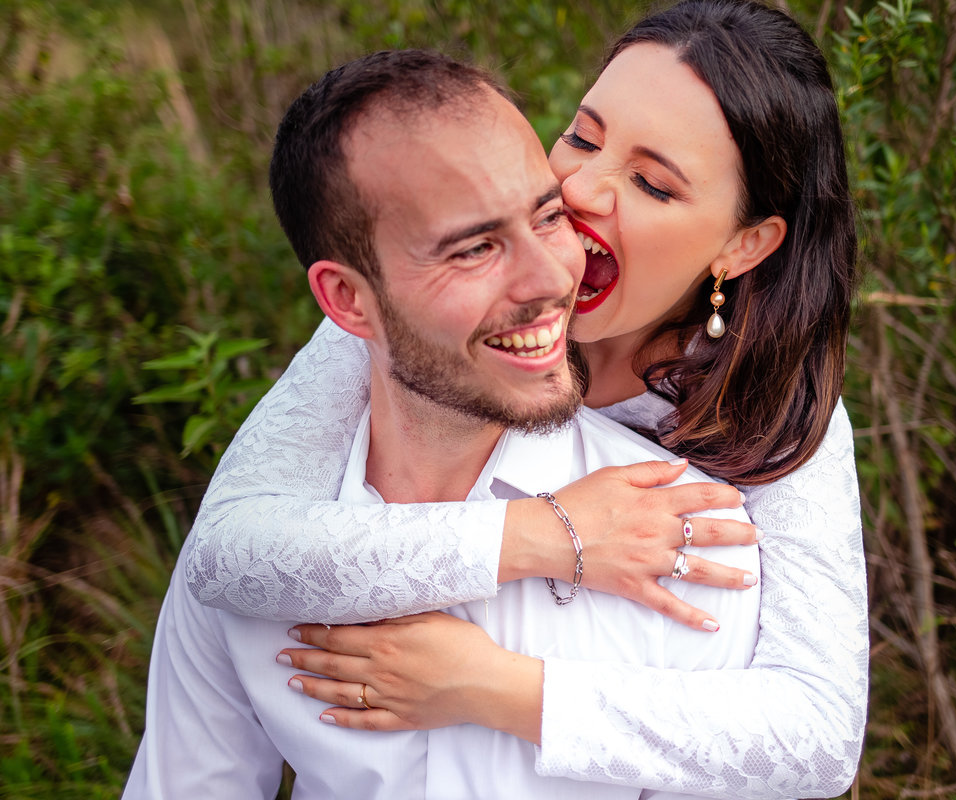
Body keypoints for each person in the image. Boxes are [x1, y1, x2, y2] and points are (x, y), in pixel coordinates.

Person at [183, 0, 866, 796]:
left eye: (650, 182)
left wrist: (497, 687)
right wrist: (543, 534)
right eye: (583, 135)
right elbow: (231, 547)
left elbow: (816, 735)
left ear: (743, 244)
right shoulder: (424, 316)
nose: (578, 186)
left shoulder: (772, 410)